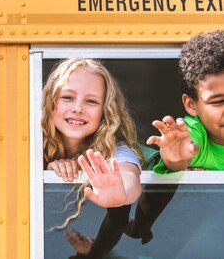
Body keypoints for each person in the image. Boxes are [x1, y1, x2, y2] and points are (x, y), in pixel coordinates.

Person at [41, 58, 142, 259]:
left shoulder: (114, 149)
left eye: (91, 101)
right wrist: (49, 166)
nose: (78, 108)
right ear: (50, 103)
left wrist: (122, 194)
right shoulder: (31, 145)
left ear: (105, 111)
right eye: (67, 97)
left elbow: (129, 175)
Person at [148, 29, 224, 172]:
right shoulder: (196, 134)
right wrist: (175, 156)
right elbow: (183, 150)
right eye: (218, 101)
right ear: (191, 105)